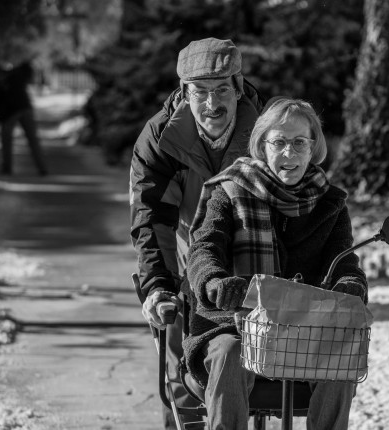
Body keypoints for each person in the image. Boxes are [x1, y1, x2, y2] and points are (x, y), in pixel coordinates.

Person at [184, 98, 368, 429]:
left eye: (299, 142)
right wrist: (214, 282)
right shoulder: (230, 190)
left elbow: (343, 260)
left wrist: (350, 284)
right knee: (229, 352)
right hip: (236, 321)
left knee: (341, 355)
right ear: (262, 145)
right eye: (279, 142)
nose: (289, 153)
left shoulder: (331, 203)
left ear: (313, 147)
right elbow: (205, 247)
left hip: (305, 325)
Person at [129, 37, 264, 429]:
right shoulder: (160, 138)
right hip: (188, 263)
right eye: (200, 92)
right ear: (184, 92)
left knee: (254, 372)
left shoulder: (265, 133)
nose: (211, 103)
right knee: (179, 376)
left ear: (238, 88)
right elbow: (152, 218)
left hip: (252, 261)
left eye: (221, 89)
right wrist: (159, 285)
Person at [0, 60, 48, 176]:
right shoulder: (14, 76)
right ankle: (42, 168)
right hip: (23, 109)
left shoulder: (9, 78)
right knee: (32, 140)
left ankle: (7, 167)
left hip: (13, 112)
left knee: (8, 139)